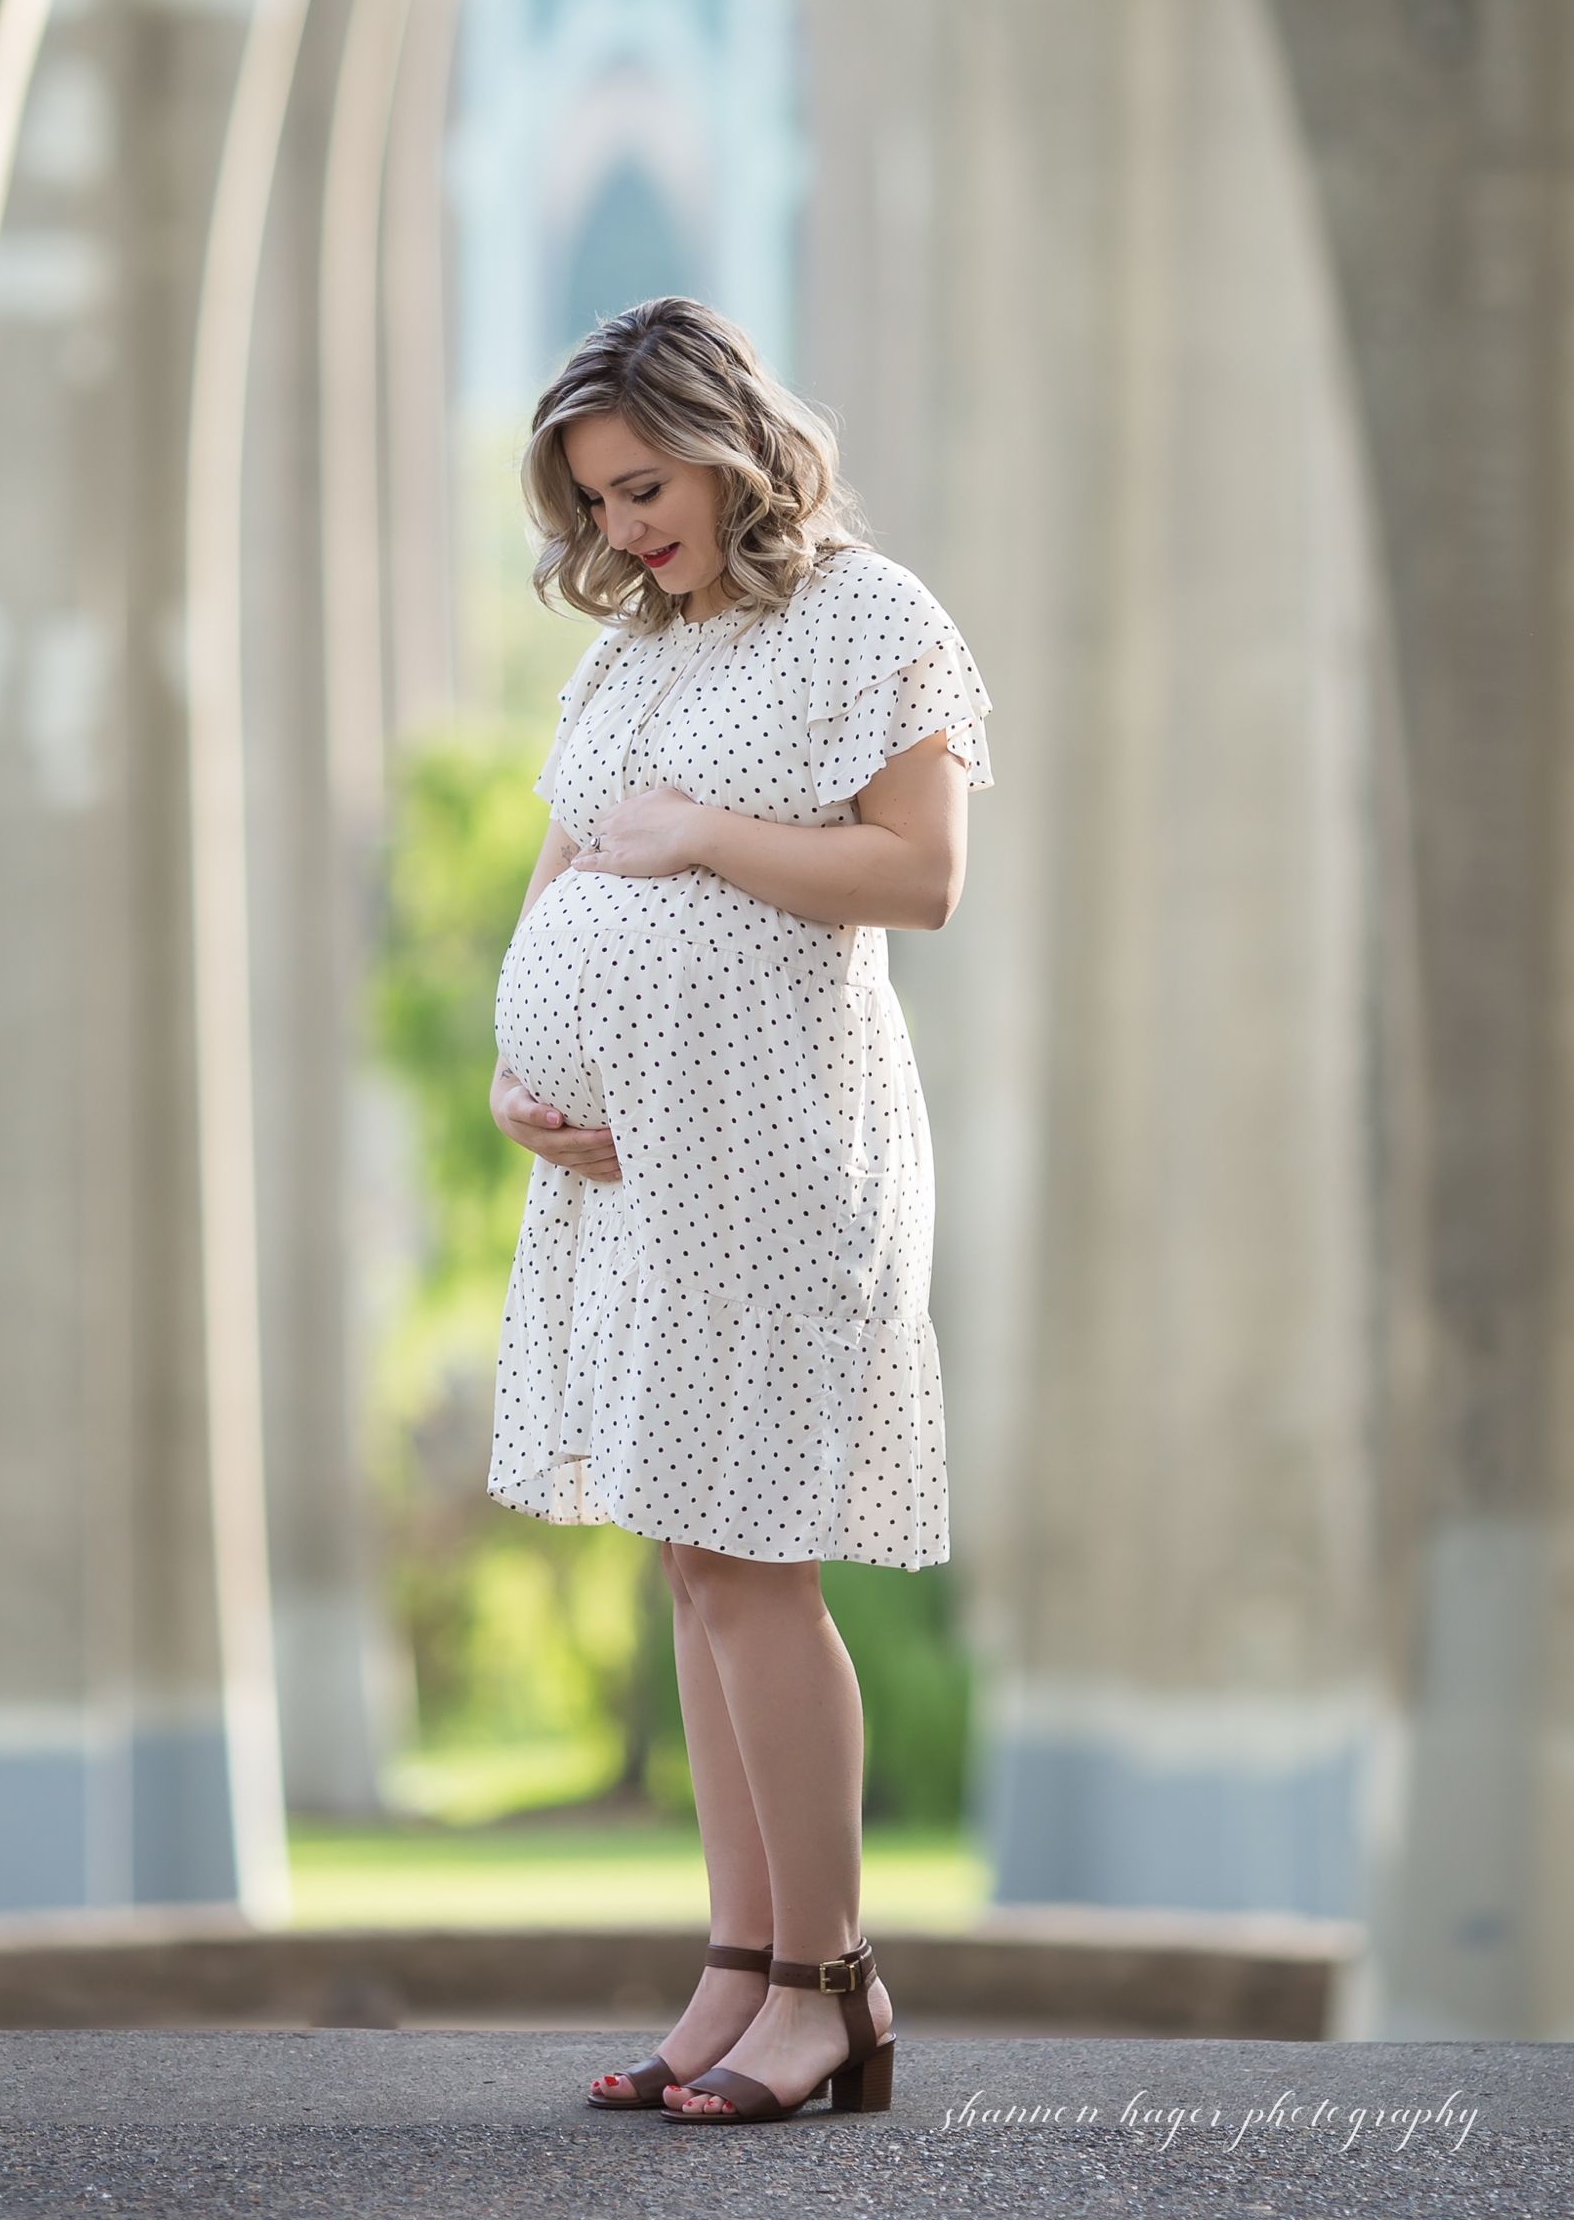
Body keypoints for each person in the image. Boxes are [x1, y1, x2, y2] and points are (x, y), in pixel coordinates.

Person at [486, 296, 991, 2125]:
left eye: (642, 484)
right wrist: (516, 1077)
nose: (623, 528)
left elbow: (920, 875)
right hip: (640, 1179)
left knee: (756, 1559)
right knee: (697, 1556)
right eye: (595, 504)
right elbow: (556, 874)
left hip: (789, 1152)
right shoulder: (631, 656)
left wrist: (702, 835)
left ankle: (828, 1985)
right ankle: (735, 1962)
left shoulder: (869, 617)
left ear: (726, 436)